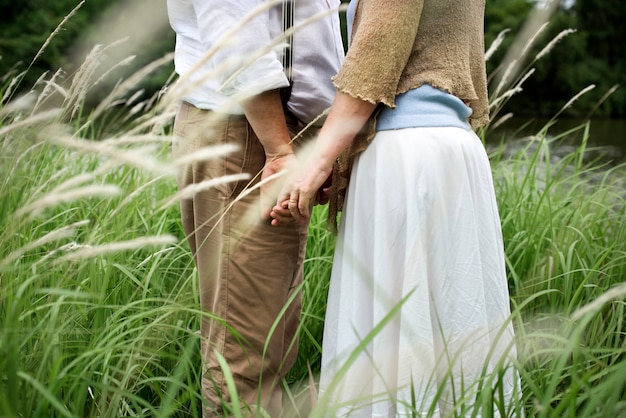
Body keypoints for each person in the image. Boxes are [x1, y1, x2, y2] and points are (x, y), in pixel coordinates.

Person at [271, 0, 519, 416]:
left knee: (396, 332)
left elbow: (376, 55)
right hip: (449, 148)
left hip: (407, 156)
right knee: (452, 320)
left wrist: (315, 163)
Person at [165, 0, 344, 416]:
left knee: (265, 343)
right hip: (252, 130)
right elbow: (238, 34)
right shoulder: (265, 142)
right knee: (245, 360)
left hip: (257, 127)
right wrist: (279, 151)